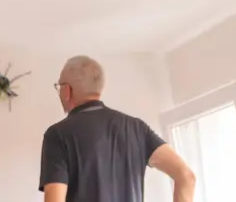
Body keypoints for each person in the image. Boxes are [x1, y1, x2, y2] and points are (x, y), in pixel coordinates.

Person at [39, 56, 196, 202]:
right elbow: (186, 176)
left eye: (59, 86)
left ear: (67, 90)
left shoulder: (57, 134)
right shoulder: (137, 128)